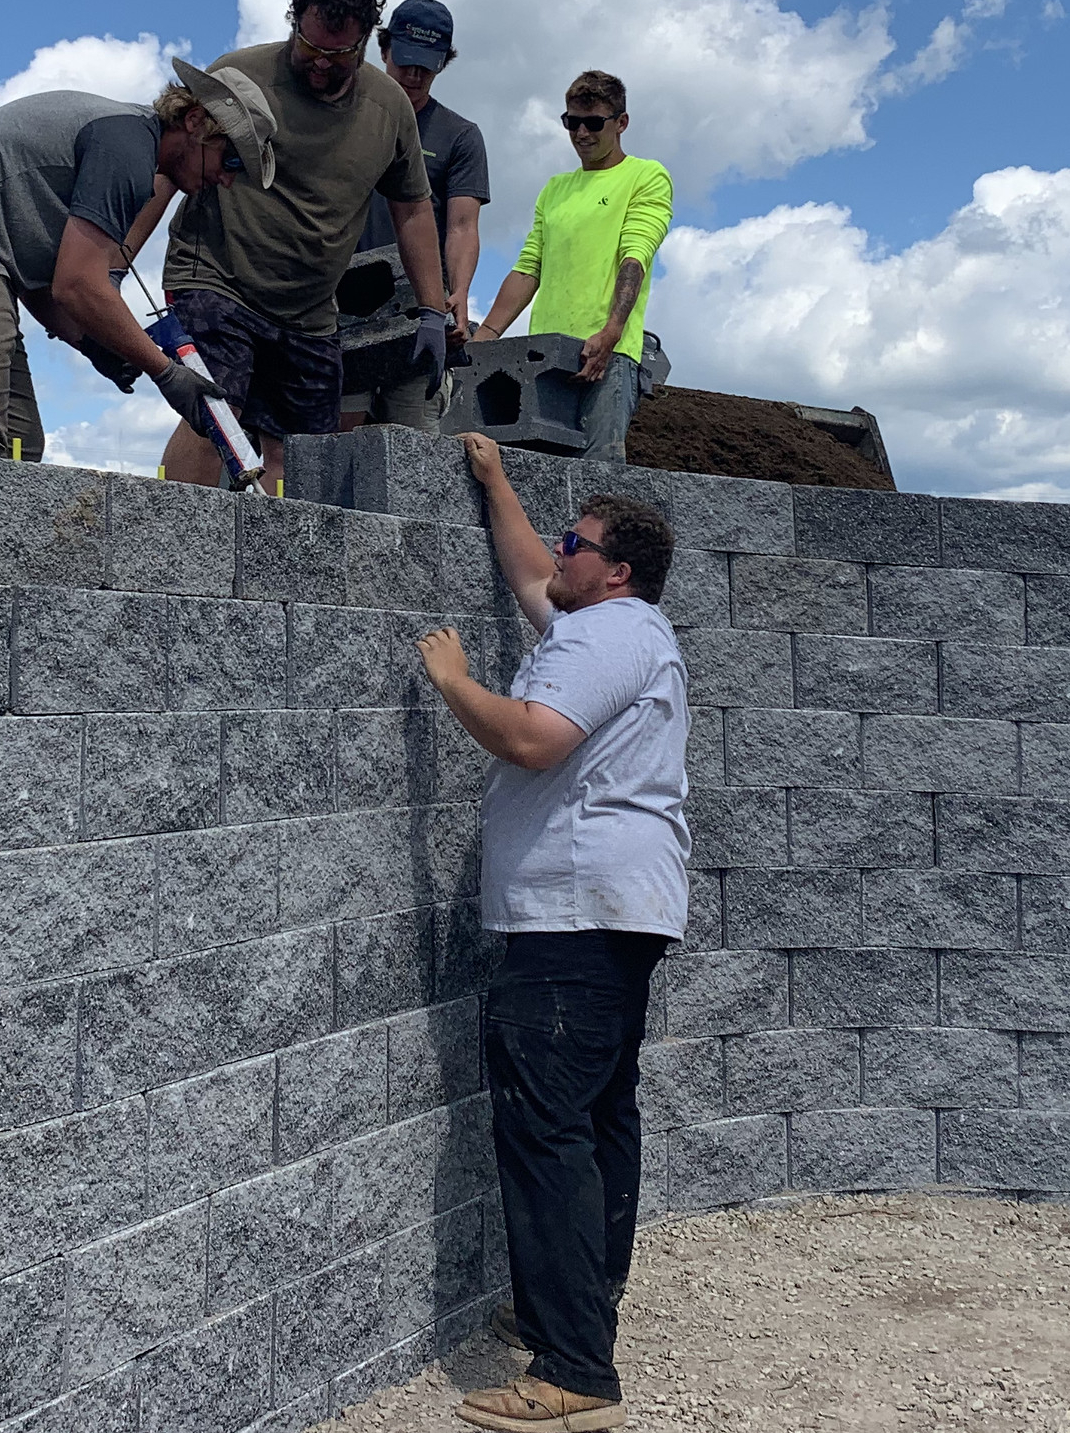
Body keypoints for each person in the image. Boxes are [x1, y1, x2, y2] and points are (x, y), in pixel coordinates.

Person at [415, 432, 685, 1433]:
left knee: (547, 1127)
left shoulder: (605, 637)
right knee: (598, 1117)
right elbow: (533, 569)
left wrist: (453, 679)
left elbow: (533, 738)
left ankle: (574, 1368)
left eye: (579, 541)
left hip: (574, 915)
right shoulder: (614, 625)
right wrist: (495, 481)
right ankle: (577, 1306)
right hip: (612, 915)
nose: (560, 551)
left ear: (617, 571)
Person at [0, 62, 275, 460]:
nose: (227, 180)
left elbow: (38, 279)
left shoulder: (127, 143)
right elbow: (78, 286)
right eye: (231, 160)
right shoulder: (126, 151)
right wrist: (166, 374)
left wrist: (90, 343)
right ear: (195, 121)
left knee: (19, 444)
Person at [158, 0, 452, 488]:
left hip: (309, 309)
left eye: (337, 55)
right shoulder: (240, 75)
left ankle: (281, 542)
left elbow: (412, 209)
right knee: (214, 410)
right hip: (218, 274)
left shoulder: (389, 110)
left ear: (364, 44)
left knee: (304, 451)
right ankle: (175, 533)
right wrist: (115, 261)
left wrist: (432, 309)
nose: (319, 63)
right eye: (309, 45)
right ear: (294, 23)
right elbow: (173, 162)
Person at [475, 71, 672, 461]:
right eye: (572, 122)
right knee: (540, 473)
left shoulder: (646, 176)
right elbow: (529, 267)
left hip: (608, 356)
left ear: (621, 123)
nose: (582, 133)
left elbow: (635, 256)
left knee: (599, 474)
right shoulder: (555, 189)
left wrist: (612, 331)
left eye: (594, 123)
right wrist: (485, 336)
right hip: (543, 357)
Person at [346, 0, 491, 435]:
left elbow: (463, 226)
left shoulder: (459, 136)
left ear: (443, 63)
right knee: (334, 435)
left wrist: (458, 293)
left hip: (417, 311)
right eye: (406, 61)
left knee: (414, 445)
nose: (414, 74)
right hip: (343, 308)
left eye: (427, 66)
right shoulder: (344, 116)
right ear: (384, 49)